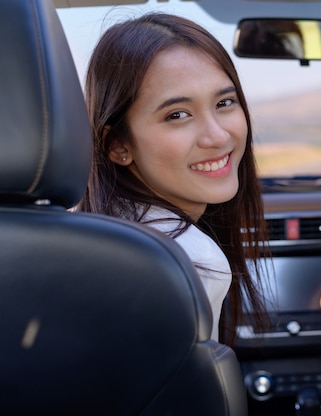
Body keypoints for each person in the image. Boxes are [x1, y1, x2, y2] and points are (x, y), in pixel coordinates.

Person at [76, 13, 269, 346]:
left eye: (224, 102)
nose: (218, 135)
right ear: (117, 145)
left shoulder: (90, 234)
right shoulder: (190, 261)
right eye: (177, 115)